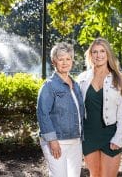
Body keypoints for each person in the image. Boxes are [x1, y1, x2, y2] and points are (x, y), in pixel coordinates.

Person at [77, 37, 122, 177]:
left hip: (110, 134)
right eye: (94, 52)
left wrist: (119, 137)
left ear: (108, 54)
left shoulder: (119, 78)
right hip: (88, 135)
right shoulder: (82, 78)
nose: (98, 55)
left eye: (102, 51)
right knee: (95, 175)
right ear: (90, 55)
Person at [37, 42, 85, 177]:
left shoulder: (75, 85)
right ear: (54, 62)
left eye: (68, 59)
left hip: (76, 141)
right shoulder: (49, 86)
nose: (65, 62)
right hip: (57, 142)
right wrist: (52, 141)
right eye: (61, 59)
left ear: (72, 61)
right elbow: (42, 114)